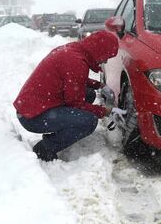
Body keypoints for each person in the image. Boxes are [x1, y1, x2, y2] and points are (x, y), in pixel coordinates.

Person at [13, 30, 122, 161]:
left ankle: (62, 129)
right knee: (89, 122)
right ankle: (44, 149)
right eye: (106, 56)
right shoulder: (76, 61)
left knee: (89, 94)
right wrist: (104, 111)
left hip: (33, 107)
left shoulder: (73, 51)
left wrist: (100, 85)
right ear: (99, 51)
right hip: (33, 117)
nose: (104, 61)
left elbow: (75, 78)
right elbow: (76, 104)